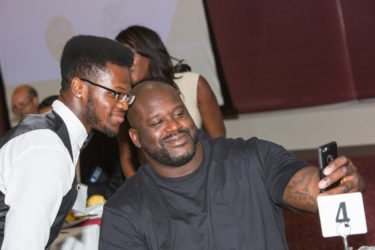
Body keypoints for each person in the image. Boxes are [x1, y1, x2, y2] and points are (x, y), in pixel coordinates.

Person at [99, 80, 365, 250]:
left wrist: (341, 183)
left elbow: (312, 189)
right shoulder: (124, 211)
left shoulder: (252, 156)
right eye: (157, 122)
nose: (174, 127)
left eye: (179, 114)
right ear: (135, 138)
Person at [0, 35, 134, 249]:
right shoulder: (47, 151)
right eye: (116, 94)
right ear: (79, 88)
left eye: (127, 96)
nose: (124, 105)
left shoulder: (50, 135)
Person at [115, 25, 226, 178]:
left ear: (148, 52)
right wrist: (140, 191)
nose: (123, 64)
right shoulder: (124, 101)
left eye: (128, 55)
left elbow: (219, 141)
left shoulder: (193, 84)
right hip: (157, 187)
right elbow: (126, 157)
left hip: (202, 177)